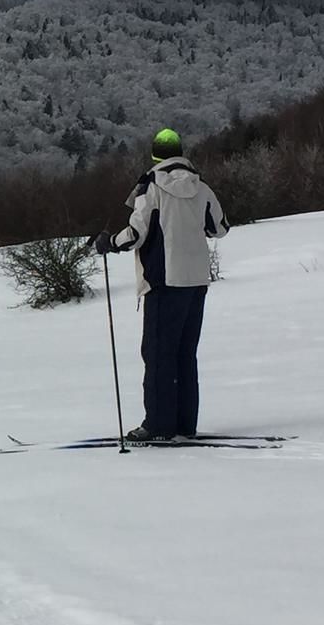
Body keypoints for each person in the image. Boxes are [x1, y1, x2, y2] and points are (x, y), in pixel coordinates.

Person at [94, 128, 229, 441]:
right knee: (185, 353)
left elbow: (136, 232)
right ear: (181, 152)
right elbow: (220, 228)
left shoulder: (150, 186)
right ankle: (184, 424)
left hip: (164, 281)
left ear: (155, 155)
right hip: (196, 281)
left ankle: (158, 424)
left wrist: (109, 242)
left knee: (157, 354)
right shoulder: (201, 186)